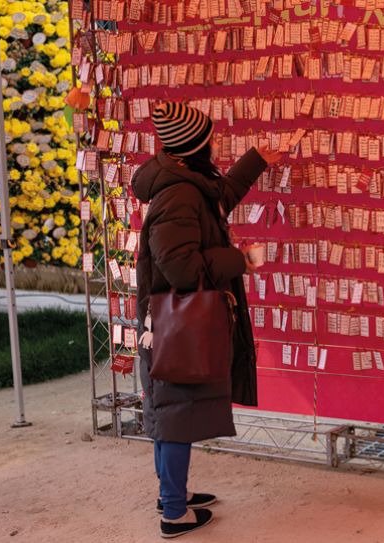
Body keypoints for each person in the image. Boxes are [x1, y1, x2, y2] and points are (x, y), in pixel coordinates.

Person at [132, 102, 282, 539]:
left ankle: (170, 495)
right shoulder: (178, 195)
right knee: (176, 412)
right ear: (196, 147)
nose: (214, 146)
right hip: (176, 325)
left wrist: (256, 161)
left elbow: (217, 200)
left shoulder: (183, 182)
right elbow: (180, 268)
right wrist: (239, 260)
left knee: (171, 409)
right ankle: (174, 513)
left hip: (172, 324)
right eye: (209, 140)